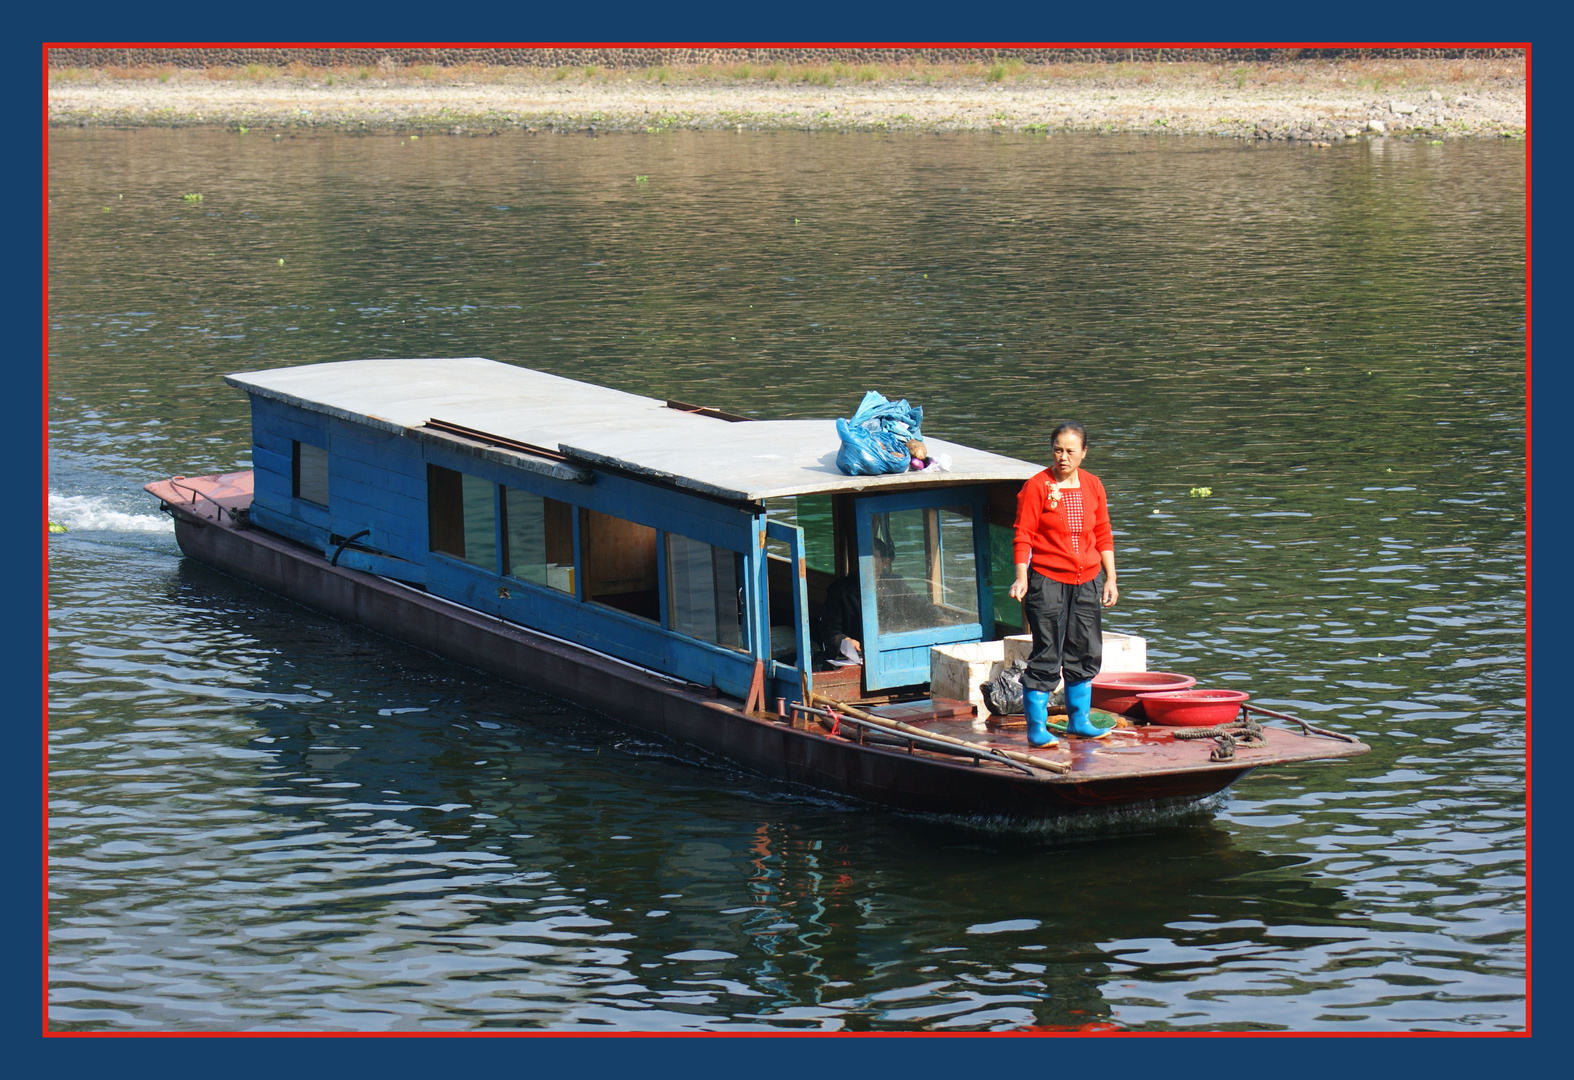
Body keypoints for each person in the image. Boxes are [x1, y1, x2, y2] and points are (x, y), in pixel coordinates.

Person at [1007, 421, 1118, 747]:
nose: (1063, 457)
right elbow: (1023, 534)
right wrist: (1021, 576)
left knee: (1084, 649)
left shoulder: (1093, 485)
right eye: (1058, 450)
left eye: (1070, 451)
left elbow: (1103, 532)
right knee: (1047, 651)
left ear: (1083, 453)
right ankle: (1037, 729)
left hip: (1088, 581)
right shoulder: (1037, 486)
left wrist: (1110, 578)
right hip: (1048, 580)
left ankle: (1079, 721)